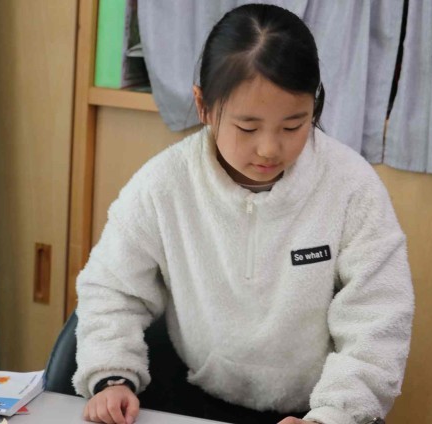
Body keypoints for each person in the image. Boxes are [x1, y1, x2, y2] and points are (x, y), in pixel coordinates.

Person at [72, 4, 414, 424]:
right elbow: (111, 288)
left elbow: (378, 317)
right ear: (203, 106)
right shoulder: (164, 185)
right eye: (247, 128)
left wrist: (332, 414)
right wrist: (111, 376)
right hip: (194, 398)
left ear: (314, 106)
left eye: (293, 126)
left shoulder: (351, 186)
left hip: (317, 407)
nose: (269, 149)